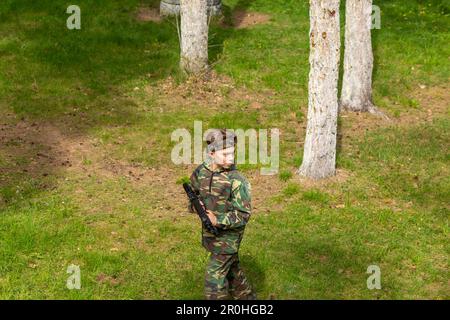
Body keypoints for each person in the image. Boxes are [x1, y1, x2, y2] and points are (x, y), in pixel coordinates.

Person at [188, 129, 256, 300]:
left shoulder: (237, 180)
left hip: (229, 236)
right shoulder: (201, 172)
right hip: (211, 234)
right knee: (232, 272)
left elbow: (243, 214)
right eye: (225, 154)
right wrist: (195, 207)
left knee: (214, 280)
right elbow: (194, 192)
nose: (231, 158)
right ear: (211, 153)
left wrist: (217, 220)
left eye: (232, 153)